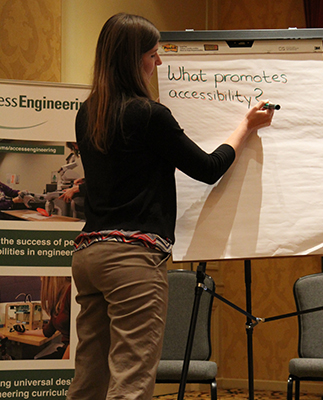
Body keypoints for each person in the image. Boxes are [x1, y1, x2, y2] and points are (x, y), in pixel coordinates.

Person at [66, 13, 274, 400]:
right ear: (133, 60)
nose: (157, 63)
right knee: (132, 379)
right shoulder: (150, 115)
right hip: (132, 262)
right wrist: (245, 126)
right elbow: (208, 168)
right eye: (152, 55)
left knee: (89, 379)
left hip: (88, 256)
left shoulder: (88, 112)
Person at [19, 277, 71, 359]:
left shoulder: (71, 291)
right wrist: (24, 332)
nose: (41, 279)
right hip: (65, 349)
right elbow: (47, 332)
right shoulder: (57, 304)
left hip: (74, 352)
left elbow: (79, 339)